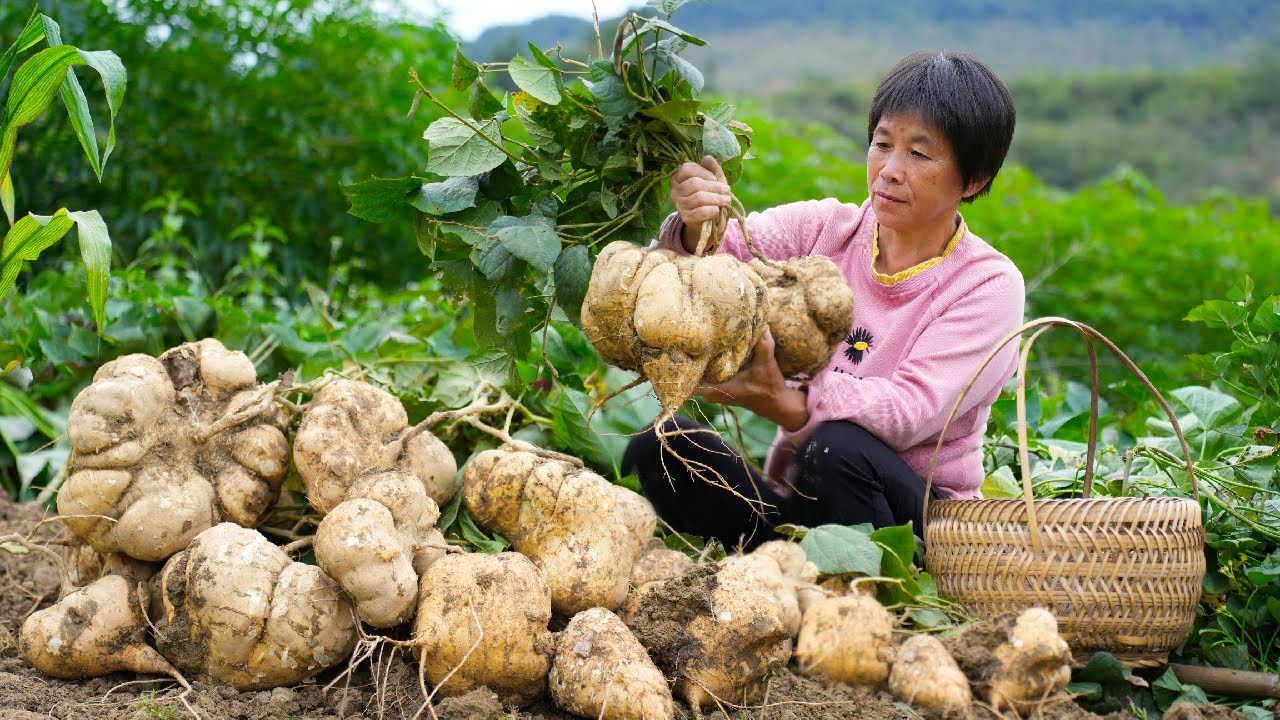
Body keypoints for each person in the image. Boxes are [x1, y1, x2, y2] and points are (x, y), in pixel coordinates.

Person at [621, 50, 1025, 549]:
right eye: (882, 144)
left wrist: (786, 404)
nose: (890, 171)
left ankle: (858, 582)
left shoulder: (987, 285)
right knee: (664, 444)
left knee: (836, 448)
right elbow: (717, 264)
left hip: (918, 524)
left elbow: (907, 414)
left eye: (919, 155)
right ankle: (783, 561)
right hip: (800, 499)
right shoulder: (825, 228)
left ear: (975, 179)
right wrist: (697, 224)